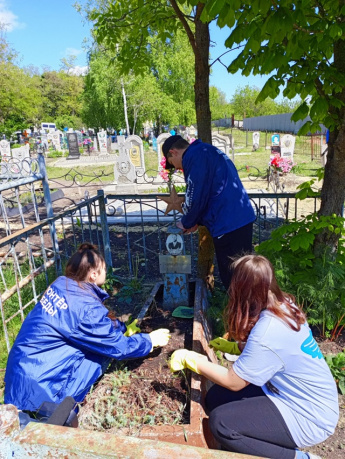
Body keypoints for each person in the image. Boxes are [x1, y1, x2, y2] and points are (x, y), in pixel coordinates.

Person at [170, 255, 339, 459]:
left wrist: (194, 361)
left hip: (309, 417)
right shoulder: (283, 304)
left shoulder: (268, 330)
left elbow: (233, 382)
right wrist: (236, 347)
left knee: (222, 424)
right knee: (215, 398)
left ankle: (299, 458)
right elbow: (273, 352)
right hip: (294, 394)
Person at [4, 243, 170, 413]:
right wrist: (149, 341)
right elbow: (119, 347)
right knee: (100, 354)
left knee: (97, 344)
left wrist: (121, 328)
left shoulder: (62, 284)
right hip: (41, 390)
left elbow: (89, 327)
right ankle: (61, 410)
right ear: (93, 275)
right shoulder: (85, 308)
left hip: (20, 370)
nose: (106, 272)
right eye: (104, 269)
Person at [162, 135, 256, 290]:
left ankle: (243, 313)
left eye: (173, 164)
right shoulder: (206, 150)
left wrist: (186, 221)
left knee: (234, 278)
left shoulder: (194, 156)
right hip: (240, 218)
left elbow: (197, 195)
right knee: (243, 274)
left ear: (173, 152)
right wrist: (197, 221)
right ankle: (248, 312)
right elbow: (212, 189)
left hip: (228, 223)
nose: (178, 169)